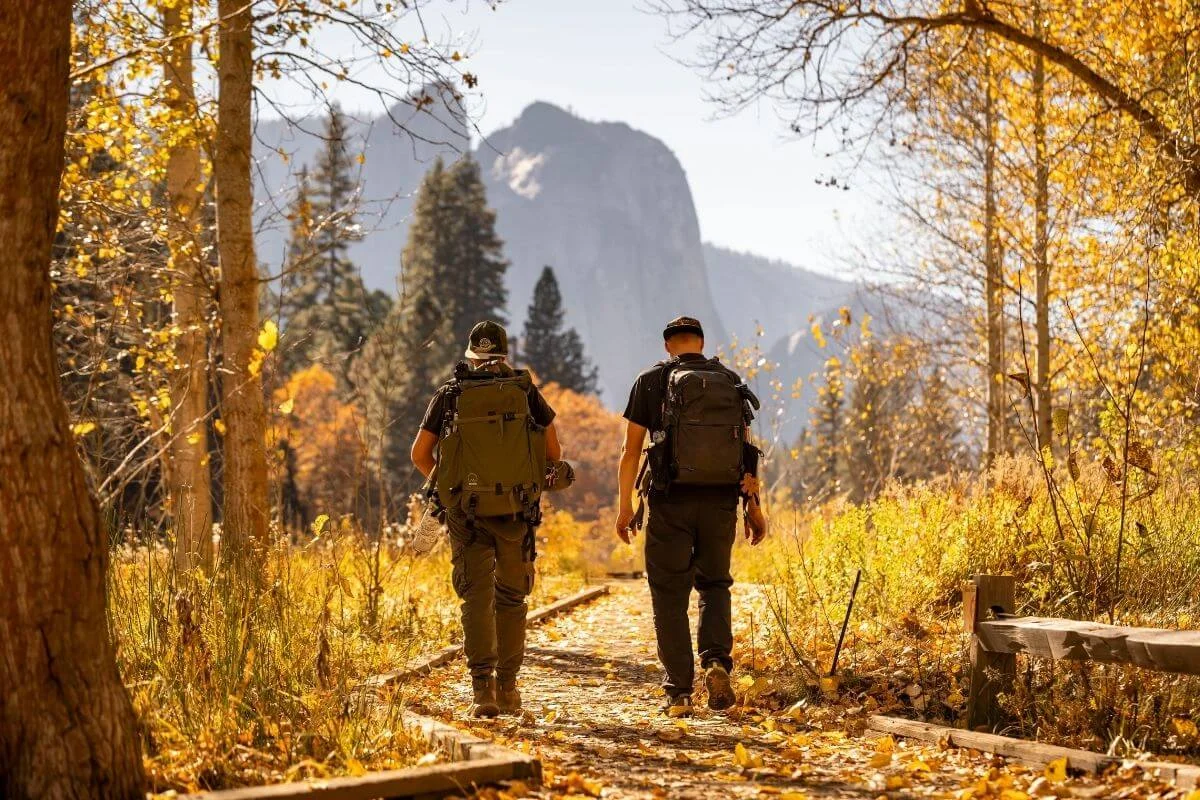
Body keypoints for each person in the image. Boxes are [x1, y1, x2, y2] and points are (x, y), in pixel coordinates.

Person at [615, 316, 768, 717]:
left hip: (670, 501)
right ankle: (716, 662)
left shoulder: (651, 381)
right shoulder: (730, 380)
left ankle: (679, 692)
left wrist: (624, 506)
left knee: (669, 594)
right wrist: (754, 507)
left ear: (669, 346)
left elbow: (631, 451)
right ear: (700, 343)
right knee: (715, 585)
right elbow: (747, 454)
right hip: (720, 504)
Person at [412, 320, 562, 718]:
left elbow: (419, 454)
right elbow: (553, 451)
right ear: (503, 353)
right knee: (512, 598)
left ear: (470, 354)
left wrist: (449, 487)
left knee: (476, 598)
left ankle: (483, 691)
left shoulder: (451, 393)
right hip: (517, 511)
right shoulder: (525, 390)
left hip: (467, 513)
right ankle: (509, 688)